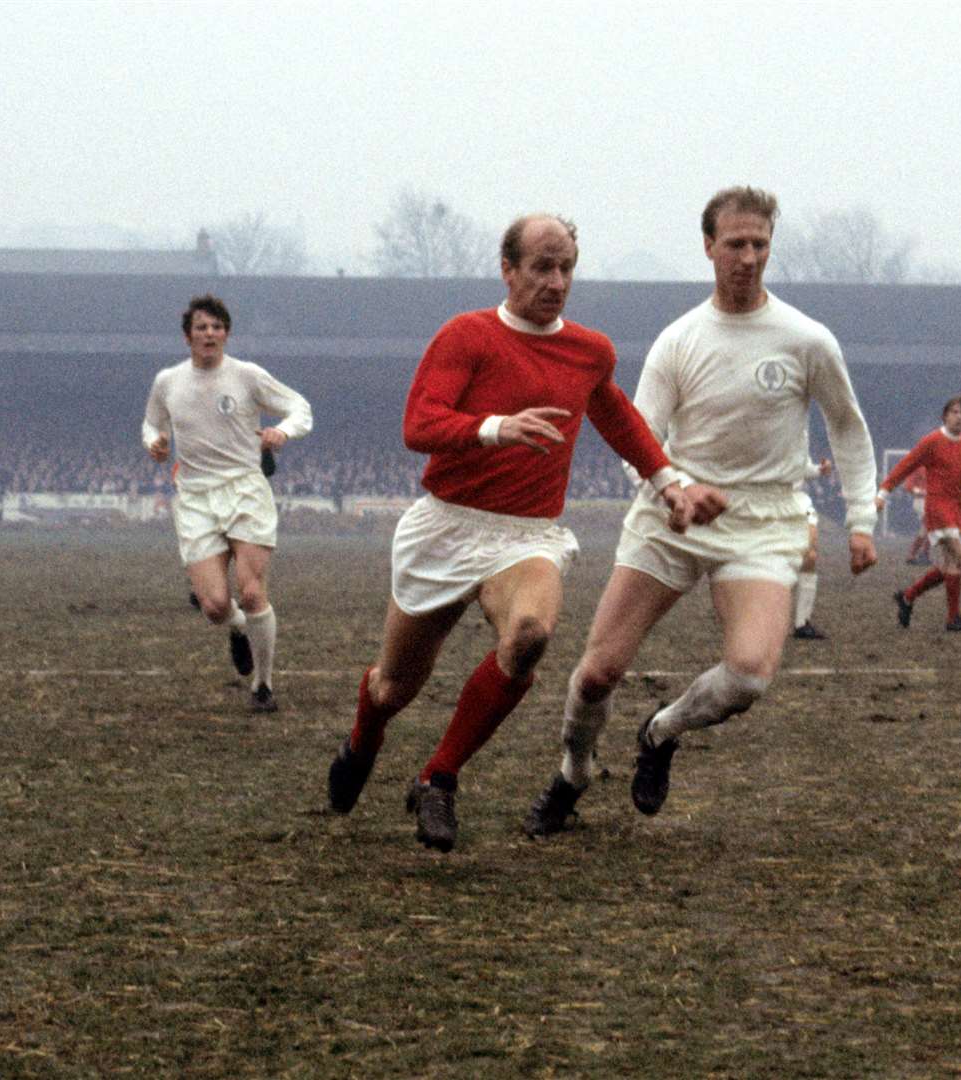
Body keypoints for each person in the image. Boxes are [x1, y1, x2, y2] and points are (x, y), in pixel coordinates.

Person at [324, 213, 723, 853]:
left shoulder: (590, 350)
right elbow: (419, 424)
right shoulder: (467, 335)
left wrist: (669, 482)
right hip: (446, 527)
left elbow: (617, 418)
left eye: (566, 266)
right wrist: (494, 427)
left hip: (526, 537)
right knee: (395, 685)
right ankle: (363, 736)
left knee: (531, 635)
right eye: (541, 266)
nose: (556, 280)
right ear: (508, 270)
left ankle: (439, 777)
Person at [522, 185, 879, 837]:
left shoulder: (806, 339)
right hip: (673, 516)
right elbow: (639, 436)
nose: (748, 257)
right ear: (709, 247)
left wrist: (861, 521)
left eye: (760, 244)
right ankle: (572, 773)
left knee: (749, 676)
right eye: (735, 244)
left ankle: (661, 731)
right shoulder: (680, 340)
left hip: (763, 523)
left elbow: (848, 429)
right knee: (599, 670)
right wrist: (673, 489)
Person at [143, 294, 313, 713]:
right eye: (202, 327)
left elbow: (299, 407)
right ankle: (238, 628)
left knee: (252, 591)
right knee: (216, 606)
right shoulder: (168, 381)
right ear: (188, 336)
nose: (210, 334)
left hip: (244, 490)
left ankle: (263, 685)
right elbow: (151, 422)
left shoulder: (247, 376)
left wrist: (284, 432)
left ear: (227, 334)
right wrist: (156, 443)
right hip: (197, 496)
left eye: (217, 327)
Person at [877, 396, 961, 632]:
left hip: (959, 509)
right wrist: (883, 492)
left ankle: (908, 597)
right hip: (938, 508)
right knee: (959, 557)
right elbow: (905, 465)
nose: (958, 416)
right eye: (954, 411)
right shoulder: (932, 441)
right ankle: (953, 618)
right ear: (945, 415)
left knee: (950, 565)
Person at [792, 455, 832, 640]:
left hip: (799, 501)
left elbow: (804, 468)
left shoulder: (799, 432)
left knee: (811, 555)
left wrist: (818, 470)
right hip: (770, 501)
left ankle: (802, 623)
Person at [904, 467, 930, 564]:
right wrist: (920, 491)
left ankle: (924, 554)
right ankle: (913, 554)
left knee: (930, 528)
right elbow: (908, 486)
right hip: (921, 501)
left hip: (932, 501)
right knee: (928, 526)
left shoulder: (936, 465)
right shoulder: (918, 466)